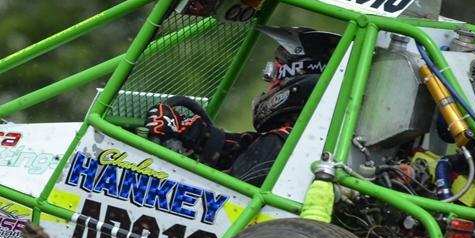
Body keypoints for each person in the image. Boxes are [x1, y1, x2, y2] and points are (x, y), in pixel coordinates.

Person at [145, 26, 342, 186]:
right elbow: (244, 150)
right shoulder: (312, 140)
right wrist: (196, 135)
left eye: (274, 71)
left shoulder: (283, 141)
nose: (270, 82)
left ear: (296, 79)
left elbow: (226, 194)